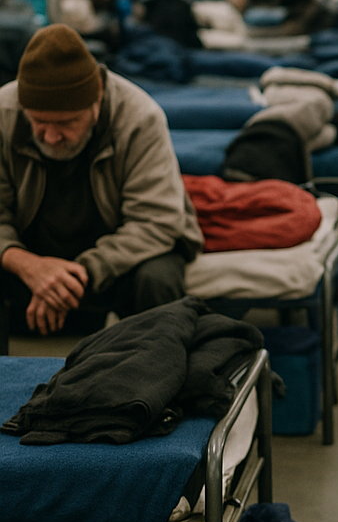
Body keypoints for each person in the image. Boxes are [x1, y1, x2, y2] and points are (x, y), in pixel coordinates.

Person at [0, 24, 203, 338]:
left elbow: (157, 221)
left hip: (117, 257)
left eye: (66, 123)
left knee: (157, 279)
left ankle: (156, 377)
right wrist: (29, 266)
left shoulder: (140, 118)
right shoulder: (4, 114)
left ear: (96, 99)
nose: (51, 136)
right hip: (31, 254)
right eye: (38, 122)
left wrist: (79, 273)